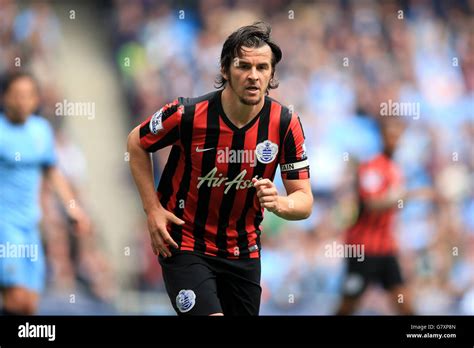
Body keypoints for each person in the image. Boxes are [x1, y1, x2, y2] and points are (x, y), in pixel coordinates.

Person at [127, 22, 313, 316]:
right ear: (225, 70)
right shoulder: (187, 114)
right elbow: (136, 143)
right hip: (185, 243)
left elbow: (304, 201)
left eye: (262, 68)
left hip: (244, 252)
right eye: (243, 66)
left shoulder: (285, 124)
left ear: (272, 74)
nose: (253, 76)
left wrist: (279, 202)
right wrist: (152, 209)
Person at [0, 72, 90, 315]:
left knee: (29, 305)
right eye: (17, 95)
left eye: (29, 95)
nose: (23, 101)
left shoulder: (41, 131)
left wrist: (73, 207)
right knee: (15, 299)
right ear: (4, 97)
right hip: (5, 226)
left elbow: (52, 172)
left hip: (31, 226)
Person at [336, 118, 433, 315]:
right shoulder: (371, 168)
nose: (395, 140)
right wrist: (410, 194)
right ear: (381, 137)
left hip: (386, 248)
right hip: (363, 249)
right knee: (348, 305)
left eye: (398, 136)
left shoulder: (395, 168)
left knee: (404, 302)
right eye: (391, 135)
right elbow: (373, 204)